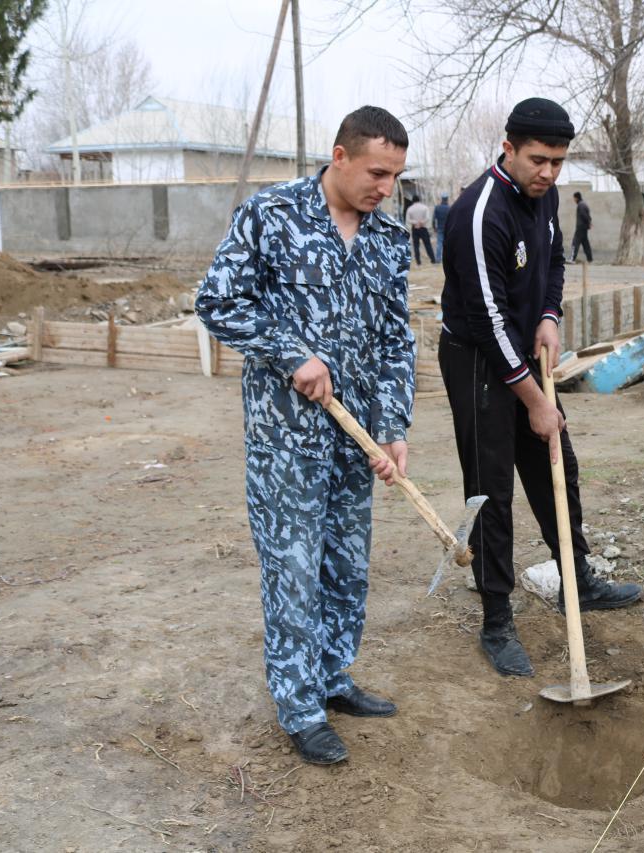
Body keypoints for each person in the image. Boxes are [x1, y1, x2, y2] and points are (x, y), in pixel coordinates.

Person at [196, 106, 415, 766]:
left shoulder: (389, 239)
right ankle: (299, 706)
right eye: (377, 172)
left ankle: (332, 676)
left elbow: (395, 339)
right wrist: (291, 352)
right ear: (339, 156)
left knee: (346, 567)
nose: (386, 187)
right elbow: (218, 301)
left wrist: (392, 426)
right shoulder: (273, 214)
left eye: (397, 176)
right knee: (293, 574)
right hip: (285, 439)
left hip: (355, 442)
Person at [438, 98, 643, 677]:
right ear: (508, 146)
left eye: (557, 161)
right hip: (478, 360)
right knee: (491, 488)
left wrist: (550, 315)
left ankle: (576, 580)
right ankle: (497, 619)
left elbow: (551, 262)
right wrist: (533, 400)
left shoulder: (544, 196)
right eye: (537, 159)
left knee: (558, 463)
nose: (548, 173)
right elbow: (487, 320)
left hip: (525, 347)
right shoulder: (479, 214)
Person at [405, 195, 435, 265]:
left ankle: (418, 262)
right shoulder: (424, 207)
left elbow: (408, 220)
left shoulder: (410, 209)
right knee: (428, 245)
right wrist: (421, 222)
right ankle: (433, 259)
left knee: (416, 245)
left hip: (415, 228)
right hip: (423, 228)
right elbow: (428, 218)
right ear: (419, 200)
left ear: (413, 201)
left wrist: (415, 222)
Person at [570, 191, 592, 262]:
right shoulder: (584, 204)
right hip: (584, 228)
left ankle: (572, 258)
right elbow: (588, 216)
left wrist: (588, 222)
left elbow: (584, 215)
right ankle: (590, 259)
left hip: (580, 228)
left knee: (575, 243)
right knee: (585, 244)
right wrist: (588, 223)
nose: (573, 200)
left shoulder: (581, 205)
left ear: (576, 198)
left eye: (574, 198)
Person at [433, 193, 451, 262]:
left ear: (442, 199)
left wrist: (434, 227)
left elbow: (433, 219)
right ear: (447, 199)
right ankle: (449, 259)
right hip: (448, 228)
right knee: (448, 244)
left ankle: (438, 259)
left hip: (440, 228)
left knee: (439, 244)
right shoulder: (450, 208)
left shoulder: (437, 207)